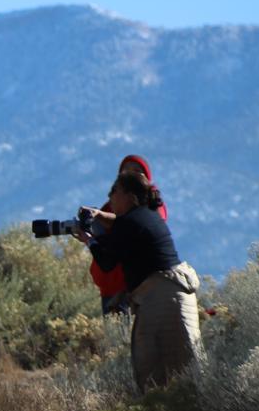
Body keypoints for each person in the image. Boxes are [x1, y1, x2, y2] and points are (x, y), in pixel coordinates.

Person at [78, 169, 202, 392]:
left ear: (129, 196)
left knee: (155, 371)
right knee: (181, 370)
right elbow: (119, 223)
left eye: (113, 191)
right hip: (172, 296)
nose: (109, 198)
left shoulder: (132, 223)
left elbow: (106, 262)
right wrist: (98, 215)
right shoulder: (145, 216)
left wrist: (88, 240)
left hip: (162, 300)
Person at [87, 155, 166, 314]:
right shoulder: (111, 204)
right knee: (118, 335)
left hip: (133, 287)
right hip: (109, 285)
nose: (132, 174)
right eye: (127, 171)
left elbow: (133, 224)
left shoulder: (152, 206)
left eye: (137, 171)